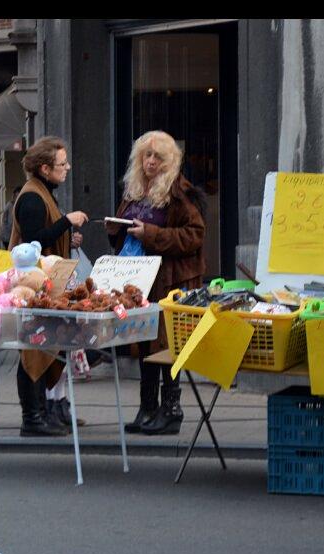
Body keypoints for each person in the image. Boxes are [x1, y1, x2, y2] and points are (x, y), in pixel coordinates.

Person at [108, 131, 207, 436]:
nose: (150, 162)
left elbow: (194, 236)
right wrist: (116, 229)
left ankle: (171, 410)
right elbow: (126, 236)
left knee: (166, 345)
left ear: (169, 162)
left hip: (171, 281)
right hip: (139, 280)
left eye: (157, 157)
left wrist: (150, 233)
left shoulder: (180, 193)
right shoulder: (134, 189)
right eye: (146, 156)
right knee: (144, 343)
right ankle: (147, 407)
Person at [8, 137, 89, 436]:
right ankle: (33, 417)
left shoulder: (43, 193)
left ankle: (50, 411)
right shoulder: (31, 197)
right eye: (62, 163)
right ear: (45, 168)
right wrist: (66, 222)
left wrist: (68, 236)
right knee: (33, 350)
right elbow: (33, 242)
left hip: (47, 284)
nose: (67, 168)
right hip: (33, 287)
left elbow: (45, 235)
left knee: (50, 347)